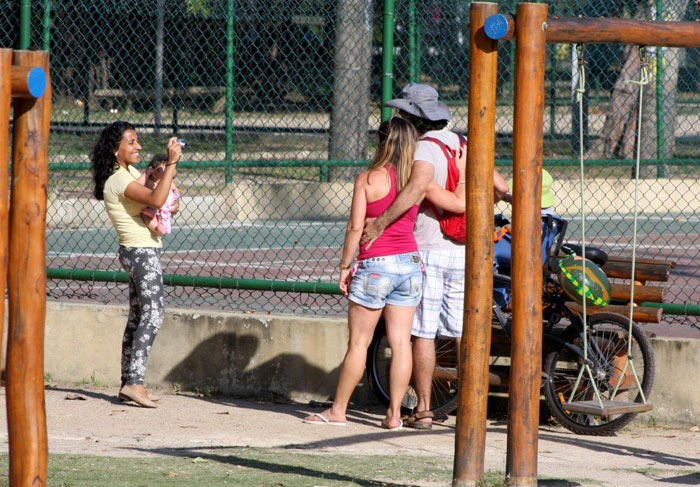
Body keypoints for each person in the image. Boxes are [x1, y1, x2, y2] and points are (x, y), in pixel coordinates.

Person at [303, 117, 466, 430]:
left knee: (359, 343)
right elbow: (455, 203)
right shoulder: (417, 183)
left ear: (381, 142)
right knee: (402, 341)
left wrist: (345, 266)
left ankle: (338, 410)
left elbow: (355, 228)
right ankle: (394, 414)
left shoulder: (367, 179)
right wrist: (461, 172)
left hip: (375, 265)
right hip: (409, 264)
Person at [362, 84, 509, 430]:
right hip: (464, 252)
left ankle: (425, 408)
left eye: (403, 114)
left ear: (415, 118)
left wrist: (381, 223)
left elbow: (416, 188)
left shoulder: (424, 149)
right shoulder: (464, 143)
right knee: (463, 331)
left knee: (424, 332)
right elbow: (500, 187)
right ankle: (472, 407)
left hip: (429, 249)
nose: (399, 119)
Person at [91, 121, 182, 408]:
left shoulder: (129, 173)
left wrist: (161, 176)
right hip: (140, 252)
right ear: (115, 149)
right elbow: (156, 197)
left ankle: (128, 381)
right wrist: (170, 164)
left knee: (137, 317)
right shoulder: (119, 179)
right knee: (154, 315)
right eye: (131, 142)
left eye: (137, 140)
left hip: (139, 250)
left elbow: (161, 196)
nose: (138, 146)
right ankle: (134, 382)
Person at [137, 154, 180, 236]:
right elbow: (138, 185)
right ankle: (156, 227)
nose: (170, 179)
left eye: (172, 177)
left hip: (165, 207)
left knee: (162, 218)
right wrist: (146, 174)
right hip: (153, 208)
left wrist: (176, 201)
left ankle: (161, 224)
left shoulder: (170, 184)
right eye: (167, 175)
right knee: (147, 217)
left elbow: (176, 192)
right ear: (155, 174)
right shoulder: (150, 183)